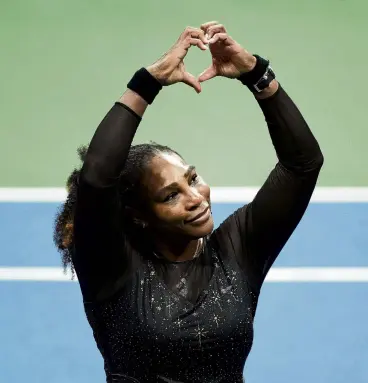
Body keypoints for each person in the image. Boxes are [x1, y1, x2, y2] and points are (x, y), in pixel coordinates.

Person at [54, 21, 324, 383]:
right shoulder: (111, 267)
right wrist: (145, 85)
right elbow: (97, 178)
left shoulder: (238, 250)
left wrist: (256, 74)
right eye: (171, 195)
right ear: (139, 216)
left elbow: (303, 165)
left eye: (192, 178)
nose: (195, 198)